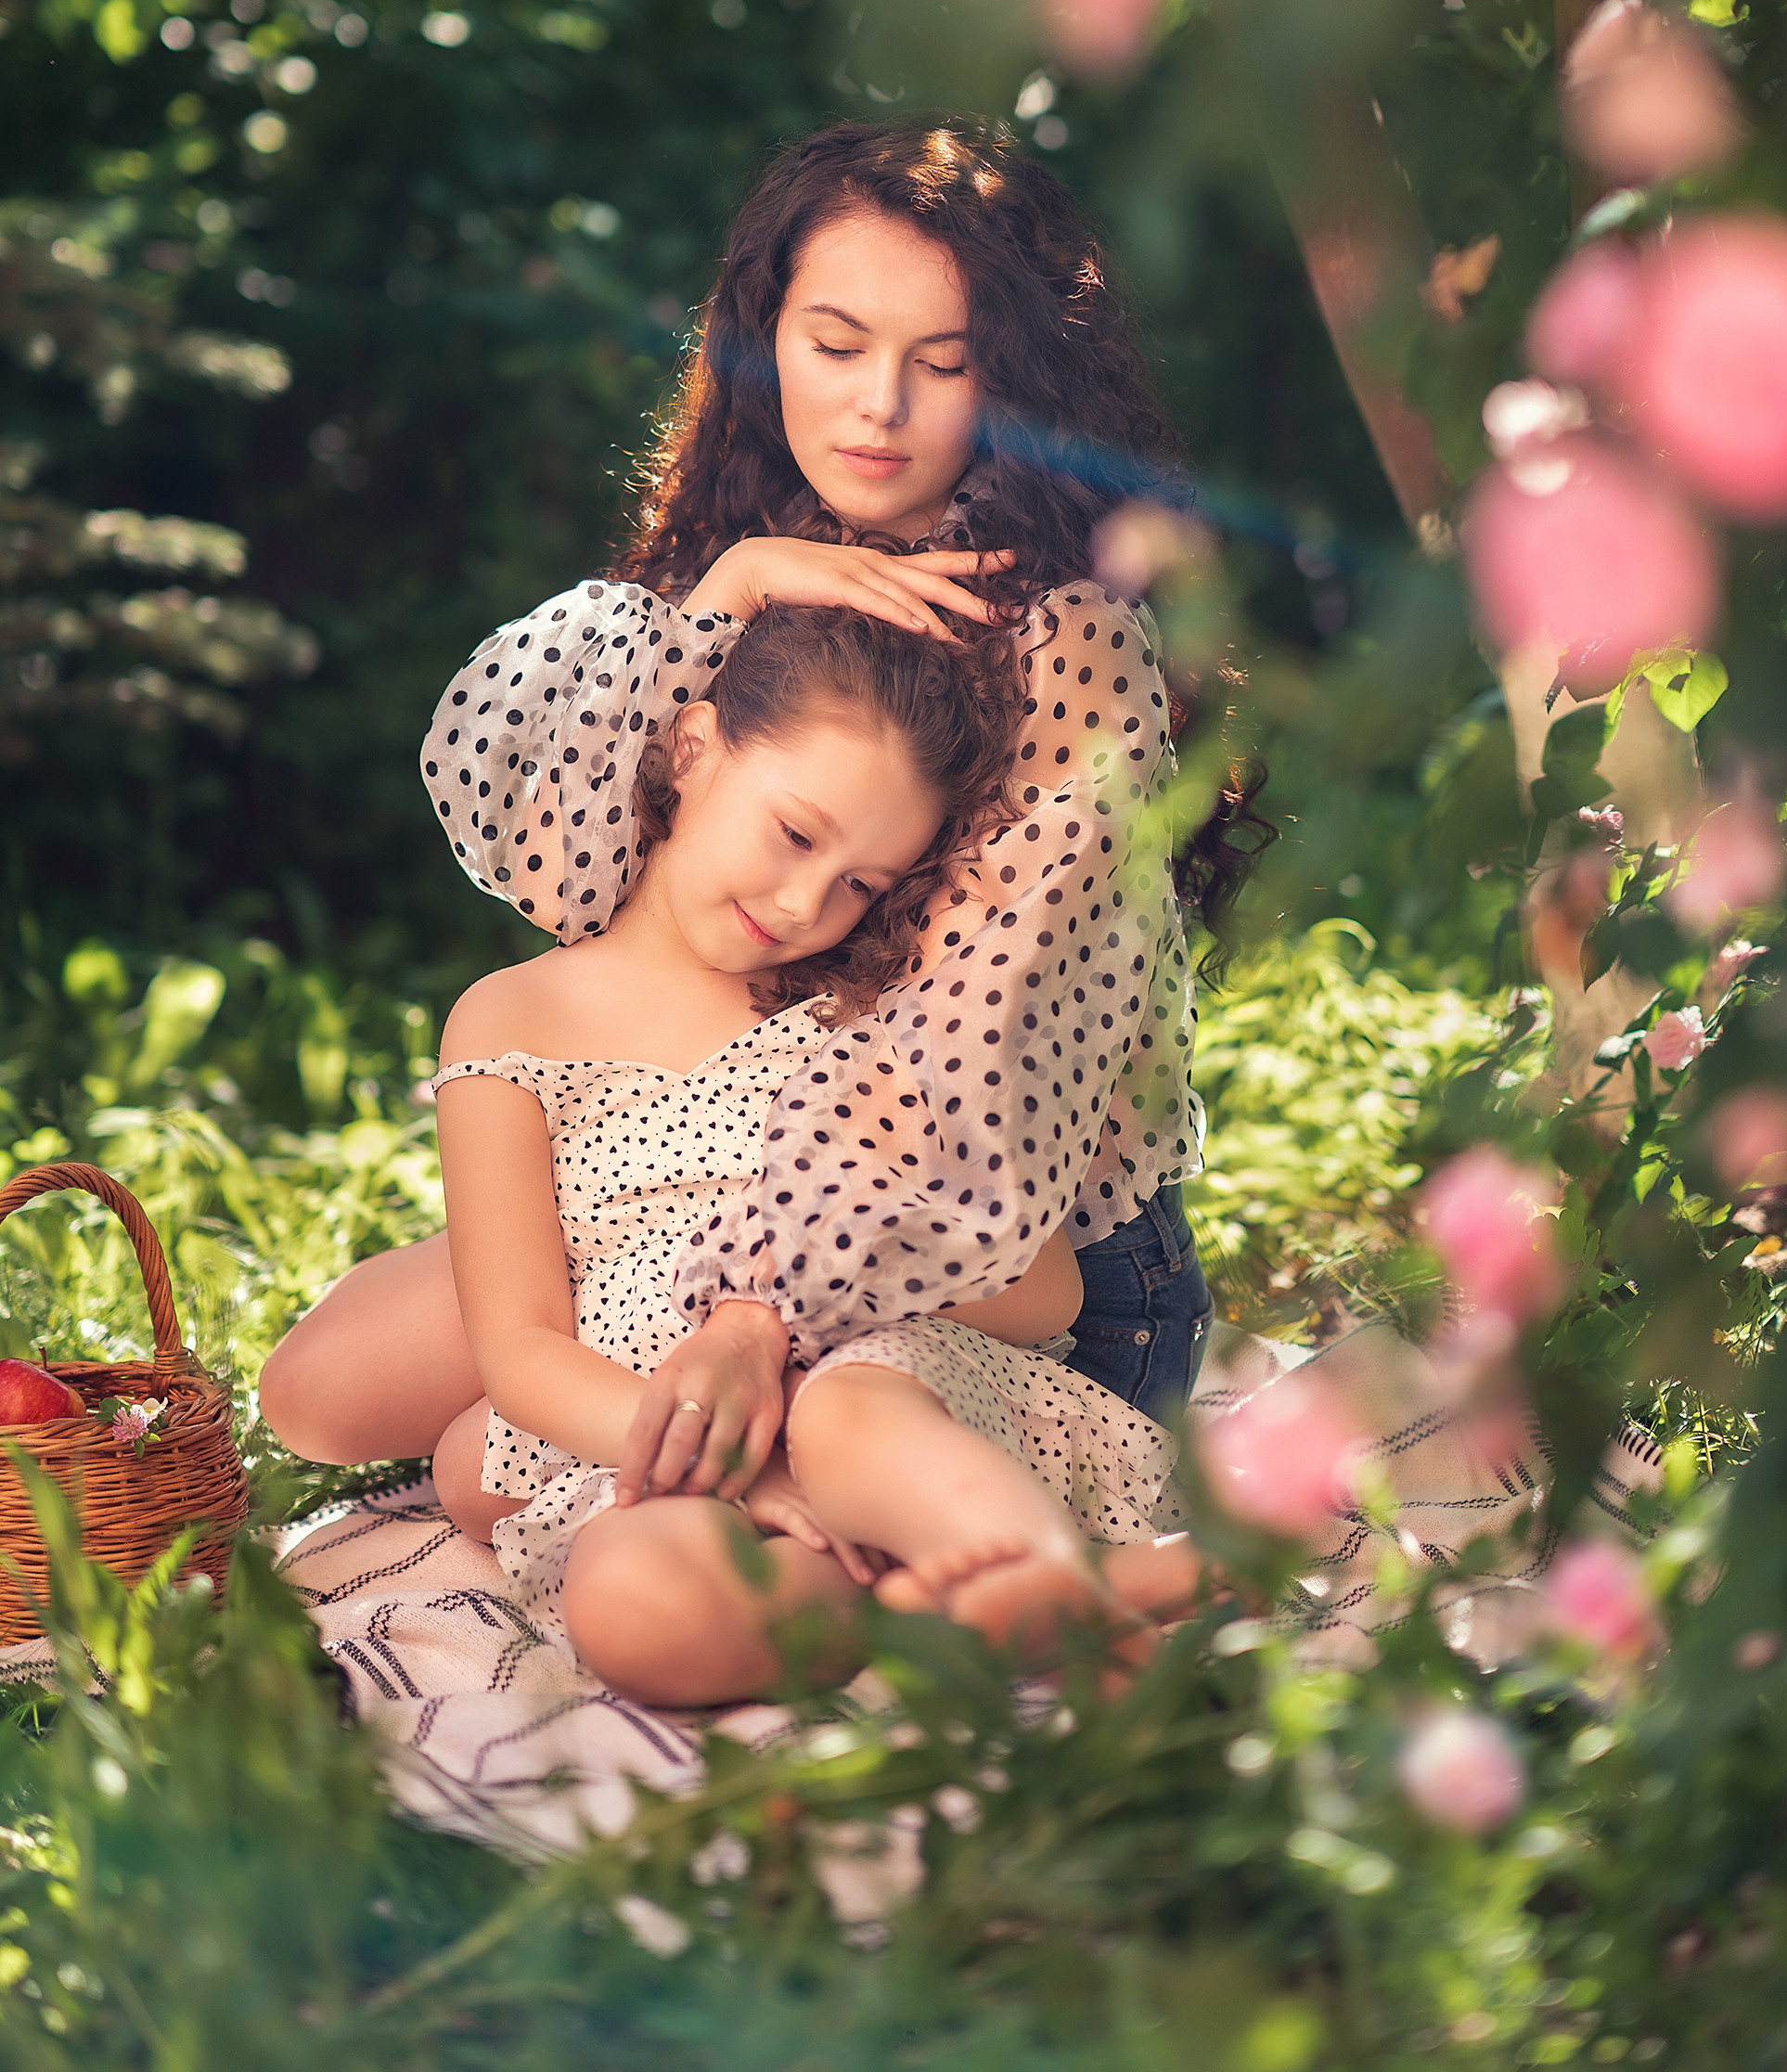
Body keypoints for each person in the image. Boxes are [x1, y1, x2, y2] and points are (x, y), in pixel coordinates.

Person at [260, 118, 1271, 1484]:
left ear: (1016, 381)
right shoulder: (752, 551)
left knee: (480, 1455)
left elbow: (971, 1062)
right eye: (835, 344)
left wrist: (755, 1309)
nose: (878, 409)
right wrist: (722, 594)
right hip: (705, 1151)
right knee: (320, 1395)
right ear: (763, 335)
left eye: (945, 363)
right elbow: (565, 876)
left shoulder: (1067, 642)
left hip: (986, 1249)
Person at [432, 600, 1202, 1705]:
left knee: (848, 1416)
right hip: (689, 1450)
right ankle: (981, 1609)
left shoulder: (867, 1023)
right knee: (638, 1600)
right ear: (692, 751)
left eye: (859, 886)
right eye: (796, 834)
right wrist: (739, 1469)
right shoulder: (507, 1022)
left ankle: (1040, 1574)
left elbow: (1040, 1291)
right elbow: (519, 1350)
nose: (803, 903)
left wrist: (801, 1331)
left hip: (890, 1413)